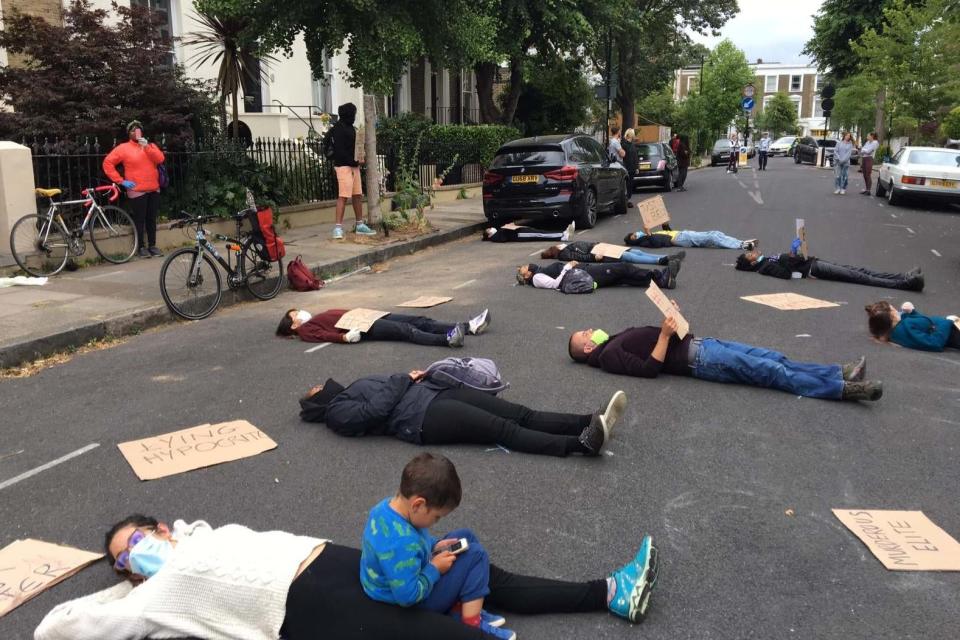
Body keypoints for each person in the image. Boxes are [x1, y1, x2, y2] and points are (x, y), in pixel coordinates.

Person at [34, 512, 659, 639]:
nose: (133, 555)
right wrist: (127, 583)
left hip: (335, 561)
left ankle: (609, 591)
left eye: (137, 540)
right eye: (124, 558)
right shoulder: (159, 592)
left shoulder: (208, 534)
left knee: (474, 562)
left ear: (164, 528)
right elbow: (61, 627)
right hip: (307, 607)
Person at [299, 369, 628, 457]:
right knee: (503, 430)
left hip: (433, 392)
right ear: (317, 402)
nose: (317, 385)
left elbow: (387, 393)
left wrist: (415, 378)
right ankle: (580, 445)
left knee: (519, 412)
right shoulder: (336, 413)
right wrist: (402, 378)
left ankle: (587, 421)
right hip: (424, 418)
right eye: (313, 390)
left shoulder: (347, 391)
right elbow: (377, 410)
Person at [567, 310, 883, 402]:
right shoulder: (607, 356)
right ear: (588, 349)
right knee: (771, 373)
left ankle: (837, 372)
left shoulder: (611, 340)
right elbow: (650, 368)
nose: (589, 329)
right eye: (584, 334)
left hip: (703, 344)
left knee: (775, 358)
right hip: (700, 359)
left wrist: (672, 320)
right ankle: (845, 390)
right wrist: (664, 334)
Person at [360, 453, 515, 638]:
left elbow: (416, 541)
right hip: (411, 602)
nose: (436, 522)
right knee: (477, 554)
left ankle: (462, 605)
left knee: (465, 536)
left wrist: (435, 545)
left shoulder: (388, 508)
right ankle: (471, 623)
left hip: (408, 576)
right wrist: (434, 569)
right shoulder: (400, 543)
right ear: (418, 504)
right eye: (436, 517)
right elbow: (407, 597)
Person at [735, 241, 924, 291]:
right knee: (858, 277)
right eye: (750, 254)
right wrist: (791, 254)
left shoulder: (766, 259)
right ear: (751, 262)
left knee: (860, 270)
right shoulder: (764, 267)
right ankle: (907, 284)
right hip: (814, 269)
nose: (754, 251)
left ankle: (902, 276)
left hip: (813, 262)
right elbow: (785, 273)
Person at [102, 120, 165, 258]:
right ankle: (141, 247)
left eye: (137, 130)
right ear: (128, 133)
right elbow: (107, 163)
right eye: (132, 130)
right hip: (137, 190)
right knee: (140, 219)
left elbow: (160, 159)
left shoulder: (150, 145)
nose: (135, 132)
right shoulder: (123, 148)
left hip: (153, 188)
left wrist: (147, 146)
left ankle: (152, 246)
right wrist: (121, 181)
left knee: (151, 219)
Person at [276, 308, 491, 347]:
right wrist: (343, 338)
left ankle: (467, 326)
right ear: (293, 324)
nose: (301, 312)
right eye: (295, 314)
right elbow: (323, 335)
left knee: (417, 320)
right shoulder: (304, 330)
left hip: (363, 316)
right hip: (360, 325)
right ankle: (447, 339)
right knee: (407, 331)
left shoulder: (310, 321)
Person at [326, 102, 376, 239]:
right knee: (343, 196)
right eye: (353, 114)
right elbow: (341, 151)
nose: (354, 116)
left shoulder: (350, 128)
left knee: (357, 195)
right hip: (343, 167)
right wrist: (355, 161)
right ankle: (337, 228)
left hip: (354, 166)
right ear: (349, 114)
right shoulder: (339, 129)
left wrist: (360, 156)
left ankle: (359, 224)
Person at [517, 259, 679, 291]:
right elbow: (555, 284)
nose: (523, 266)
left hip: (581, 271)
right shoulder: (537, 278)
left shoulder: (538, 271)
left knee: (620, 278)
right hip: (581, 275)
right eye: (521, 270)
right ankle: (660, 277)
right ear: (526, 276)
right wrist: (567, 266)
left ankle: (656, 282)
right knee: (622, 267)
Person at [865, 301, 960, 351]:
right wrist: (947, 322)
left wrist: (911, 312)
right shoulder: (904, 328)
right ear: (892, 317)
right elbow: (935, 343)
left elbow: (921, 325)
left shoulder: (897, 329)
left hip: (948, 330)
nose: (898, 311)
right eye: (894, 310)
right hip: (952, 333)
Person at [539, 239, 682, 266]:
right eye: (557, 245)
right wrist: (595, 257)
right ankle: (659, 261)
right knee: (629, 256)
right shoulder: (565, 254)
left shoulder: (567, 247)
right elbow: (581, 257)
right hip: (600, 254)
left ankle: (665, 257)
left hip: (601, 247)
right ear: (555, 249)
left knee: (635, 250)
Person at [624, 226, 756, 251]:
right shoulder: (645, 241)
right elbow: (657, 243)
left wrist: (665, 223)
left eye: (635, 233)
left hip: (681, 234)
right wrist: (648, 234)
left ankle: (741, 242)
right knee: (712, 237)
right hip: (680, 239)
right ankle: (742, 245)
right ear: (634, 240)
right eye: (634, 236)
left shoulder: (648, 235)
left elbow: (666, 232)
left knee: (715, 233)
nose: (637, 234)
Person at [482, 222, 574, 243]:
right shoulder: (494, 237)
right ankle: (563, 235)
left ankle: (562, 235)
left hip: (520, 232)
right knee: (540, 234)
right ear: (489, 235)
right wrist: (505, 228)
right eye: (488, 229)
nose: (491, 228)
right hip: (519, 235)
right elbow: (503, 238)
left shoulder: (497, 234)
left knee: (540, 233)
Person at [622, 129, 638, 206]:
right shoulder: (624, 144)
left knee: (630, 184)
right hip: (626, 167)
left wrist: (637, 167)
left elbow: (635, 156)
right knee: (627, 184)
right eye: (633, 134)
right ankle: (626, 199)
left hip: (632, 168)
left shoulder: (632, 144)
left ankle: (628, 199)